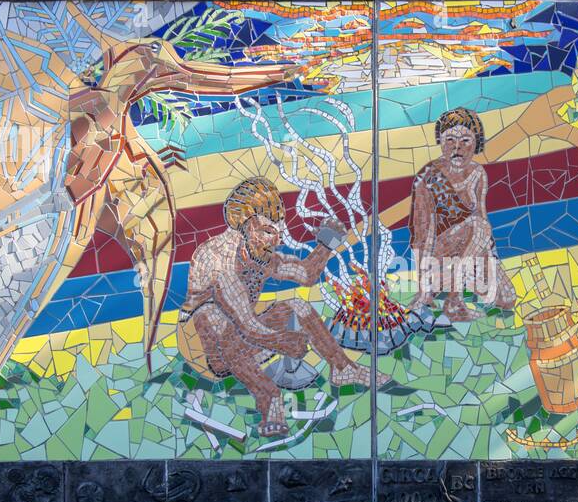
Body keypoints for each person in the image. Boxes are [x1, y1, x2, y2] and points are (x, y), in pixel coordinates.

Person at [176, 177, 387, 438]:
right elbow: (246, 326)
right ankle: (269, 398)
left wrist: (326, 244)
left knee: (297, 306)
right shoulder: (220, 259)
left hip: (241, 339)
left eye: (278, 232)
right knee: (216, 318)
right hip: (205, 351)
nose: (275, 240)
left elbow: (305, 274)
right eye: (267, 231)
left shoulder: (259, 251)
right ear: (246, 225)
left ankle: (343, 369)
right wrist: (281, 341)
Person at [407, 108, 516, 323]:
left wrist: (490, 265)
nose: (457, 148)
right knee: (478, 225)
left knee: (507, 298)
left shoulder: (478, 174)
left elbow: (482, 227)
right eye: (450, 140)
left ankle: (460, 285)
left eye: (465, 140)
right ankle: (453, 300)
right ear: (440, 142)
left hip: (468, 255)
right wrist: (424, 289)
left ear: (477, 143)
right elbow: (423, 236)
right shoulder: (427, 177)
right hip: (437, 260)